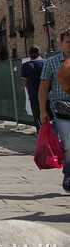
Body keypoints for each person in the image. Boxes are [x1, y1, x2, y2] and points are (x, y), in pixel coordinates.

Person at [39, 29, 70, 193]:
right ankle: (69, 174)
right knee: (68, 144)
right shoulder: (52, 62)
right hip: (62, 108)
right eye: (68, 42)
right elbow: (44, 87)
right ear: (61, 43)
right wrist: (43, 110)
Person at [22, 45, 47, 132]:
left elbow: (26, 83)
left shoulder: (25, 66)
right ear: (40, 53)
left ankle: (41, 134)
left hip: (34, 95)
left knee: (38, 118)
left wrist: (30, 89)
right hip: (48, 94)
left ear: (29, 54)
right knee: (50, 117)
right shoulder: (45, 63)